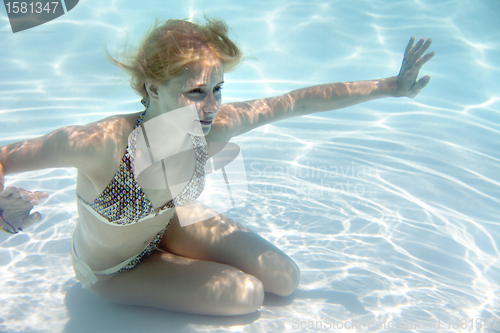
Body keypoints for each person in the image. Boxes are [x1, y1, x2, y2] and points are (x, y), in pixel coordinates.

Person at [0, 18, 434, 316]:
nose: (210, 106)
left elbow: (296, 101)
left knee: (285, 278)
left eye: (218, 89)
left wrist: (390, 87)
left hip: (167, 225)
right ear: (152, 87)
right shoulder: (102, 145)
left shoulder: (213, 128)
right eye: (195, 92)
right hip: (111, 270)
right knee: (247, 295)